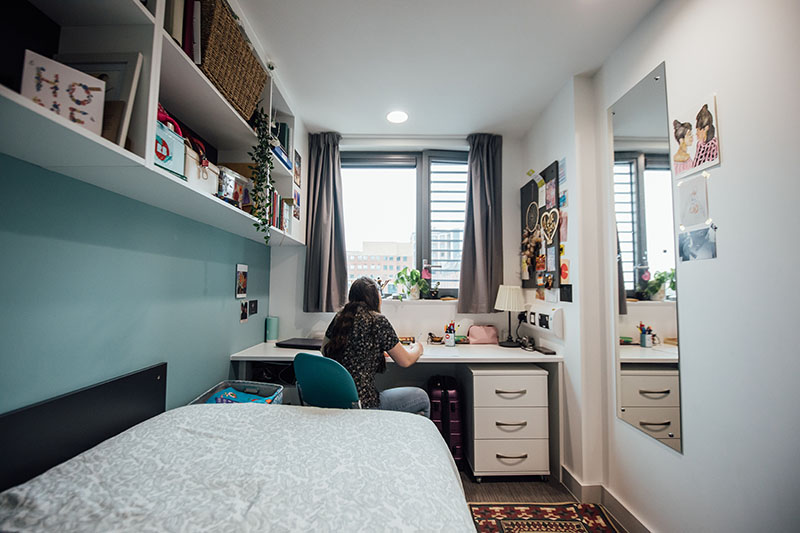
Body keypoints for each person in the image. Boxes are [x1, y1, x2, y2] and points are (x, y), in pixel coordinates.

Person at [322, 276, 430, 416]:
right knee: (422, 397)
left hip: (336, 401)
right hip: (364, 404)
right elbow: (405, 360)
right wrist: (418, 348)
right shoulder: (377, 320)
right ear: (375, 297)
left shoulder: (339, 317)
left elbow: (324, 352)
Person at [692, 103, 719, 168]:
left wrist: (701, 176)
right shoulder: (699, 144)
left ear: (706, 128)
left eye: (698, 130)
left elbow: (709, 171)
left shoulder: (713, 145)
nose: (696, 133)